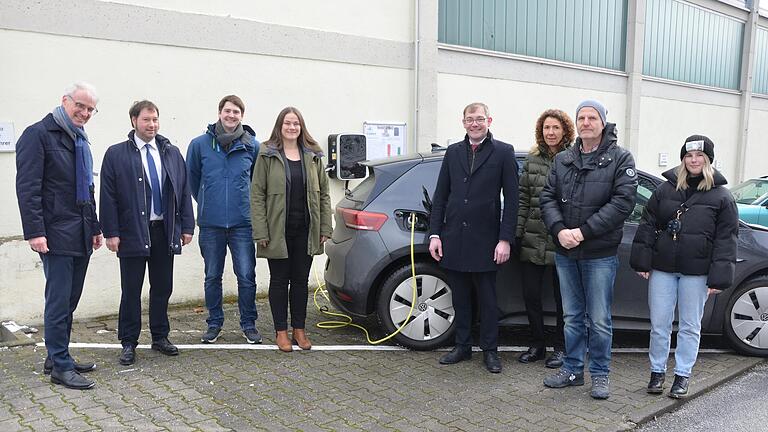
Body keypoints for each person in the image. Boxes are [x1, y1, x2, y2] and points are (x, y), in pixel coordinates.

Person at [539, 100, 637, 399]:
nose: (585, 122)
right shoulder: (564, 159)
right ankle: (571, 370)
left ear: (603, 122)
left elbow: (622, 204)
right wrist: (559, 231)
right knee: (571, 316)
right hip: (566, 252)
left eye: (592, 117)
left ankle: (600, 375)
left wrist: (582, 232)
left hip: (599, 254)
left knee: (599, 319)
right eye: (581, 117)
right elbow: (547, 197)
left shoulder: (621, 159)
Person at [630, 135, 738, 398]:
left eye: (699, 156)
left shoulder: (722, 197)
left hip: (697, 272)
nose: (694, 160)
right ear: (683, 159)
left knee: (690, 325)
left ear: (708, 160)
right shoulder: (665, 190)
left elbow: (727, 239)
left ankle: (682, 375)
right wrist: (642, 260)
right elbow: (648, 225)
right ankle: (657, 372)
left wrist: (718, 277)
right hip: (663, 268)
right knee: (659, 324)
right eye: (689, 156)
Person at [15, 82, 103, 390]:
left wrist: (94, 227)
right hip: (54, 233)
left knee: (70, 300)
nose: (85, 112)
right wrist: (35, 231)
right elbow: (27, 188)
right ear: (64, 101)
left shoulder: (80, 138)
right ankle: (60, 368)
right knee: (58, 300)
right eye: (80, 105)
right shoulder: (37, 134)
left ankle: (56, 356)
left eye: (91, 109)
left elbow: (87, 189)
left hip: (80, 231)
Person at [99, 100, 195, 366]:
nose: (152, 125)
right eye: (146, 120)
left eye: (155, 119)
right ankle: (128, 342)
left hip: (163, 231)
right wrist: (111, 232)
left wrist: (187, 226)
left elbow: (183, 191)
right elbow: (107, 196)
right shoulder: (116, 154)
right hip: (131, 233)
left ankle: (160, 336)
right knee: (131, 290)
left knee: (162, 287)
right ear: (133, 121)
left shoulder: (171, 152)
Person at [428, 102, 519, 374]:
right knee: (460, 298)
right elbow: (441, 196)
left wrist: (505, 239)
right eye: (470, 119)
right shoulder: (453, 153)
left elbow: (513, 200)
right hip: (454, 238)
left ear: (489, 120)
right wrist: (435, 234)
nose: (475, 123)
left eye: (480, 119)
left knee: (489, 301)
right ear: (463, 122)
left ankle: (490, 351)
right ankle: (463, 346)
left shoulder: (503, 152)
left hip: (487, 241)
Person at [250, 107, 332, 352]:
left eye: (296, 123)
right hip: (277, 231)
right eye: (287, 123)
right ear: (280, 126)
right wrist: (261, 231)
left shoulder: (313, 155)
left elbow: (325, 194)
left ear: (301, 127)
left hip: (306, 230)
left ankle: (299, 330)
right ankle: (281, 332)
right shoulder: (267, 154)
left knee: (300, 281)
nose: (292, 127)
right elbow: (256, 195)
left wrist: (325, 226)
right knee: (278, 281)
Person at [187, 95, 262, 344]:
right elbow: (193, 180)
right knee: (212, 276)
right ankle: (214, 323)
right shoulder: (199, 145)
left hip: (243, 223)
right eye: (227, 111)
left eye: (236, 112)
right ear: (219, 112)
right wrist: (209, 201)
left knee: (246, 276)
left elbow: (256, 182)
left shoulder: (253, 146)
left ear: (242, 116)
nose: (231, 116)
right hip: (211, 224)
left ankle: (248, 324)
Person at [515, 109, 574, 368]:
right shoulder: (532, 160)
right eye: (546, 128)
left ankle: (560, 348)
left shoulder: (573, 158)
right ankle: (537, 344)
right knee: (531, 296)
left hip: (561, 239)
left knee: (564, 300)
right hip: (531, 237)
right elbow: (523, 200)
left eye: (555, 128)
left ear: (565, 131)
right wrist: (517, 233)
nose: (550, 133)